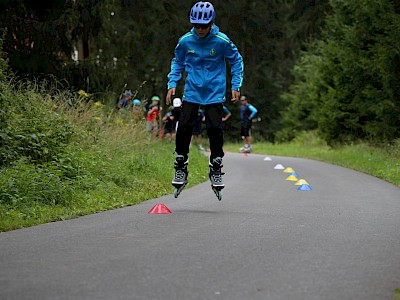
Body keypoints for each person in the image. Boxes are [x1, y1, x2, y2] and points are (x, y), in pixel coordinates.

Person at [166, 1, 244, 195]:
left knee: (215, 128)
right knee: (184, 126)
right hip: (192, 90)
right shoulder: (185, 41)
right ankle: (181, 163)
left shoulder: (221, 41)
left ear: (211, 23)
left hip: (214, 92)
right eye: (196, 25)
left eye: (203, 25)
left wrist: (235, 85)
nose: (200, 29)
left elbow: (236, 61)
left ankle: (216, 166)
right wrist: (172, 83)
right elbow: (177, 61)